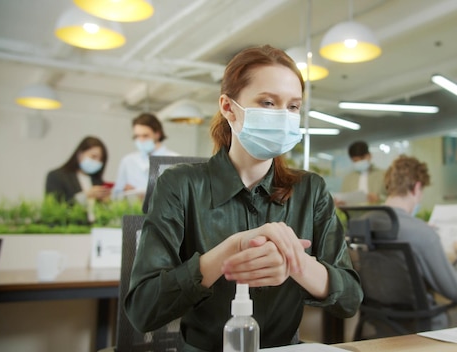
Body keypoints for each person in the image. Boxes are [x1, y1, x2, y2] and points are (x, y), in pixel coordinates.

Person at [124, 45, 362, 351]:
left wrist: (295, 262)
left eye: (292, 107)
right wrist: (229, 251)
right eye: (267, 102)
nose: (283, 116)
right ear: (228, 107)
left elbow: (350, 299)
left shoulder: (310, 190)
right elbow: (143, 311)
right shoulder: (180, 185)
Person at [366, 155, 457, 329]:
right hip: (425, 325)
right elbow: (456, 291)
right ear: (416, 187)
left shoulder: (364, 222)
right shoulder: (422, 233)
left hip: (380, 324)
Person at [113, 112, 179, 199]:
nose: (141, 140)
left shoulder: (175, 160)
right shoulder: (127, 161)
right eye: (137, 136)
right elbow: (116, 196)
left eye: (145, 136)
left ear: (157, 134)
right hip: (134, 211)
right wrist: (126, 194)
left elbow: (181, 196)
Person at [45, 136, 111, 222]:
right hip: (69, 230)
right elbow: (55, 208)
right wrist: (86, 195)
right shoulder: (57, 176)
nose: (97, 162)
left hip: (94, 228)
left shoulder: (97, 181)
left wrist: (107, 202)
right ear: (79, 154)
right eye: (93, 157)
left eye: (100, 159)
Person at [338, 140, 386, 205]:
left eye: (362, 159)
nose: (359, 162)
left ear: (369, 155)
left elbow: (392, 198)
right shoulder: (348, 179)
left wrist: (379, 198)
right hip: (354, 213)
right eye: (355, 160)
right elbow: (343, 199)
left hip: (377, 212)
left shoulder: (383, 175)